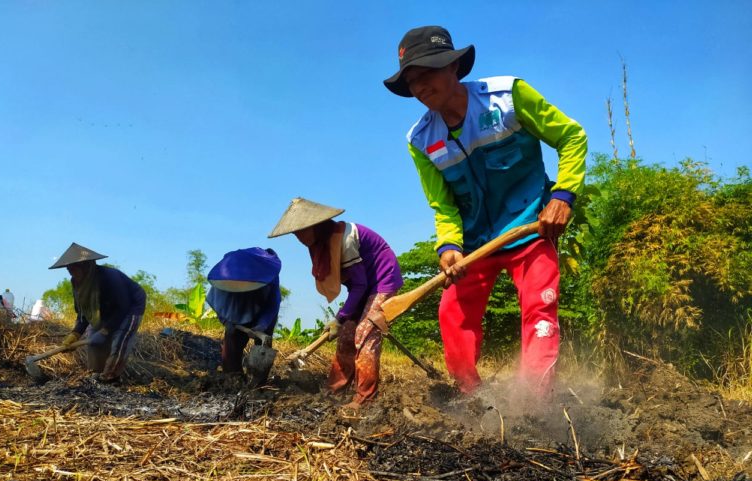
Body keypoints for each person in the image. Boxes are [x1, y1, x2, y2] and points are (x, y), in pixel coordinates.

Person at [384, 26, 587, 397]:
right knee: (452, 315)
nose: (419, 88)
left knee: (540, 310)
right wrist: (448, 246)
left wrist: (563, 195)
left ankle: (535, 405)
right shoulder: (420, 140)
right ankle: (472, 399)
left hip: (530, 229)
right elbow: (442, 203)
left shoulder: (507, 97)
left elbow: (572, 137)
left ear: (454, 67)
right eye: (411, 81)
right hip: (476, 243)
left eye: (426, 74)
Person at [269, 197, 403, 411]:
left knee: (365, 334)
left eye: (302, 231)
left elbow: (361, 284)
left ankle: (365, 399)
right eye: (295, 234)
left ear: (316, 226)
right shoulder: (321, 244)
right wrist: (344, 321)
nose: (299, 238)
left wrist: (339, 317)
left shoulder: (346, 239)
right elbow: (355, 286)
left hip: (382, 281)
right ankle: (335, 389)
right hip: (362, 287)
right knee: (347, 336)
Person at [50, 242, 146, 382]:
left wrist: (105, 331)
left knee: (119, 340)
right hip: (104, 310)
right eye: (68, 268)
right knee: (94, 343)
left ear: (86, 266)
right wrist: (75, 334)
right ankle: (96, 373)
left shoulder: (109, 277)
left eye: (74, 268)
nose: (71, 271)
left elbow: (121, 307)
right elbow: (83, 313)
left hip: (130, 307)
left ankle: (110, 377)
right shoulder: (77, 283)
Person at [206, 247, 282, 379]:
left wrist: (261, 326)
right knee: (232, 339)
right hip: (237, 310)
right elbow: (220, 304)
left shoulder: (268, 274)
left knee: (263, 344)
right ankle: (233, 378)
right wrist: (228, 322)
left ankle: (258, 380)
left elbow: (272, 305)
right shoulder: (226, 277)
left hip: (261, 307)